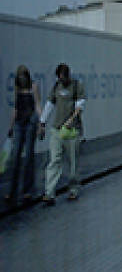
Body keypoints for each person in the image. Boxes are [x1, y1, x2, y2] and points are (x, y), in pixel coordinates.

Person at [41, 63, 86, 204]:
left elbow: (80, 106)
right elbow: (49, 104)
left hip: (72, 130)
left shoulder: (77, 86)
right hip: (57, 130)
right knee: (54, 160)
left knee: (73, 162)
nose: (62, 80)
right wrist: (42, 121)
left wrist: (70, 120)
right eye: (60, 78)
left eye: (64, 78)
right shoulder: (56, 87)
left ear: (68, 75)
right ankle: (49, 192)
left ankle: (73, 189)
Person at [5, 65, 43, 206]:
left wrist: (41, 123)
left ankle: (27, 190)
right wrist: (11, 126)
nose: (21, 80)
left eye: (23, 77)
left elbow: (38, 105)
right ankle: (13, 190)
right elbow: (15, 107)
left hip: (30, 122)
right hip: (19, 122)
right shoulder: (17, 88)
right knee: (15, 157)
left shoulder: (34, 87)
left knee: (28, 156)